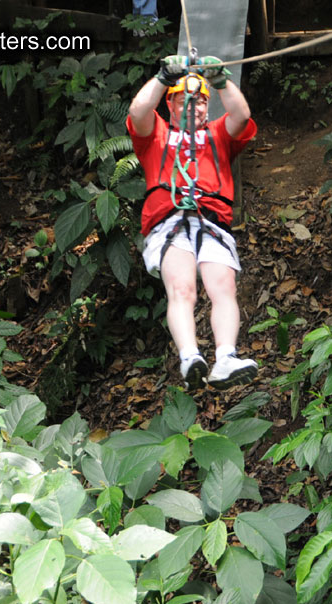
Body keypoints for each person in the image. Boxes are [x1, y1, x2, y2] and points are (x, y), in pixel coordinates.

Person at [126, 55, 258, 390]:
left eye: (200, 102)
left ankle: (226, 358)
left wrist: (220, 79)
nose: (193, 107)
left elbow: (241, 115)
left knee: (223, 287)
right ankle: (189, 358)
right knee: (182, 289)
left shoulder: (217, 134)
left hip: (212, 223)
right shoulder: (156, 134)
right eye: (184, 100)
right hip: (170, 223)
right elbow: (138, 112)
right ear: (170, 104)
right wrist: (163, 77)